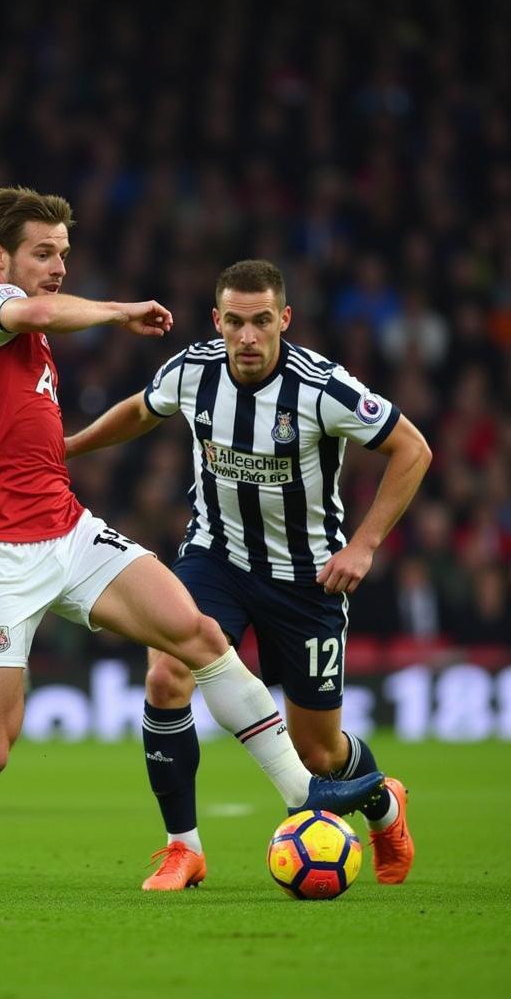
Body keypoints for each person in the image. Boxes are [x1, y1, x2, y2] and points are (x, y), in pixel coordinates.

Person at [0, 187, 385, 902]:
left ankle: (306, 795)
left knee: (199, 635)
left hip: (66, 526)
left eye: (63, 254)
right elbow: (40, 311)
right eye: (43, 254)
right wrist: (119, 311)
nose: (57, 268)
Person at [64, 259, 431, 890]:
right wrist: (65, 448)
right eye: (235, 322)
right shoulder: (193, 370)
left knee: (319, 752)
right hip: (217, 558)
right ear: (218, 321)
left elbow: (413, 448)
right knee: (166, 674)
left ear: (284, 319)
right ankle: (184, 848)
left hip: (307, 577)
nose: (249, 336)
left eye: (262, 321)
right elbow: (140, 411)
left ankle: (383, 804)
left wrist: (364, 546)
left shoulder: (321, 387)